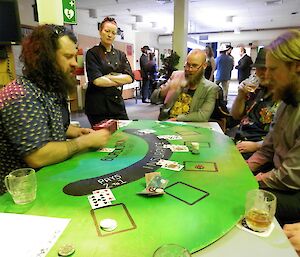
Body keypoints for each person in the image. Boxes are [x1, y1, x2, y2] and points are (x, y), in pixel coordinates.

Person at [0, 24, 110, 195]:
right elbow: (37, 155)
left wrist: (75, 131)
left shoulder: (50, 87)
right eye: (68, 57)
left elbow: (46, 124)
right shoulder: (19, 95)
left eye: (75, 56)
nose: (75, 64)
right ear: (45, 58)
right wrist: (85, 142)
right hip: (18, 195)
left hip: (47, 180)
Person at [247, 29, 300, 226]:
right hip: (280, 175)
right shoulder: (286, 100)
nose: (266, 76)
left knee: (240, 198)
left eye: (273, 69)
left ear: (296, 67)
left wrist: (255, 180)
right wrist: (245, 169)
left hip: (295, 190)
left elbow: (290, 177)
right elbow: (268, 147)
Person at [230, 48, 279, 159]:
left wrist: (256, 146)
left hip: (261, 152)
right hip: (238, 143)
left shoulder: (284, 98)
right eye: (257, 68)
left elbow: (283, 139)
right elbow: (235, 115)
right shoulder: (256, 90)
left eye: (264, 68)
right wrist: (240, 96)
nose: (259, 73)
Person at [85, 17, 133, 126]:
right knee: (103, 137)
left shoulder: (120, 54)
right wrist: (120, 79)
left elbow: (130, 78)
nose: (110, 35)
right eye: (107, 31)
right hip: (98, 105)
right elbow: (97, 81)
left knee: (124, 133)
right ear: (100, 31)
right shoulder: (92, 53)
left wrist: (109, 77)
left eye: (113, 33)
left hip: (117, 102)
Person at [151, 49, 218, 122]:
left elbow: (203, 115)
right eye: (188, 65)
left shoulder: (210, 88)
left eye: (194, 66)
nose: (189, 69)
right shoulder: (176, 75)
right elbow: (153, 99)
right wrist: (165, 90)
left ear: (204, 66)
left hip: (189, 127)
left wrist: (177, 119)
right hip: (166, 123)